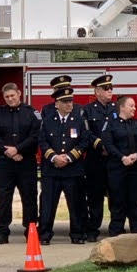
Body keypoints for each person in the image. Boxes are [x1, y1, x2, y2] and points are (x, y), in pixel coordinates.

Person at [37, 86, 93, 245]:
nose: (70, 104)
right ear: (57, 104)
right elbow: (42, 141)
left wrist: (68, 157)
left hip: (72, 170)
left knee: (76, 204)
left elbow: (84, 142)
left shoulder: (79, 120)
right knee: (48, 204)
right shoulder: (47, 121)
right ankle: (45, 235)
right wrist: (54, 157)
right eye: (66, 102)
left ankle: (77, 234)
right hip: (51, 170)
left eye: (71, 101)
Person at [0, 83, 41, 244]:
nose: (10, 99)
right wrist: (8, 151)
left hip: (26, 162)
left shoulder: (31, 113)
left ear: (19, 93)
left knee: (29, 197)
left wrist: (18, 150)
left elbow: (35, 136)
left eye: (12, 95)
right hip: (5, 163)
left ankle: (30, 230)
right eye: (7, 97)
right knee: (4, 198)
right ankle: (2, 232)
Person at [100, 95, 137, 236]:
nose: (134, 108)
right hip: (118, 168)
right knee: (117, 201)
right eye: (131, 106)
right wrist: (122, 157)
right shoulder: (111, 125)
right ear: (122, 107)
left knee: (135, 201)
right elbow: (108, 144)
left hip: (136, 168)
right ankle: (117, 232)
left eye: (134, 106)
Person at [81, 74, 116, 241]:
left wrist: (111, 148)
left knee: (115, 195)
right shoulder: (87, 110)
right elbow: (86, 133)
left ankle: (115, 228)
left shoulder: (116, 108)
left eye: (111, 88)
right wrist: (101, 145)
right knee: (95, 197)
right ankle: (93, 229)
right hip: (95, 159)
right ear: (97, 91)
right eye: (106, 89)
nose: (110, 91)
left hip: (113, 159)